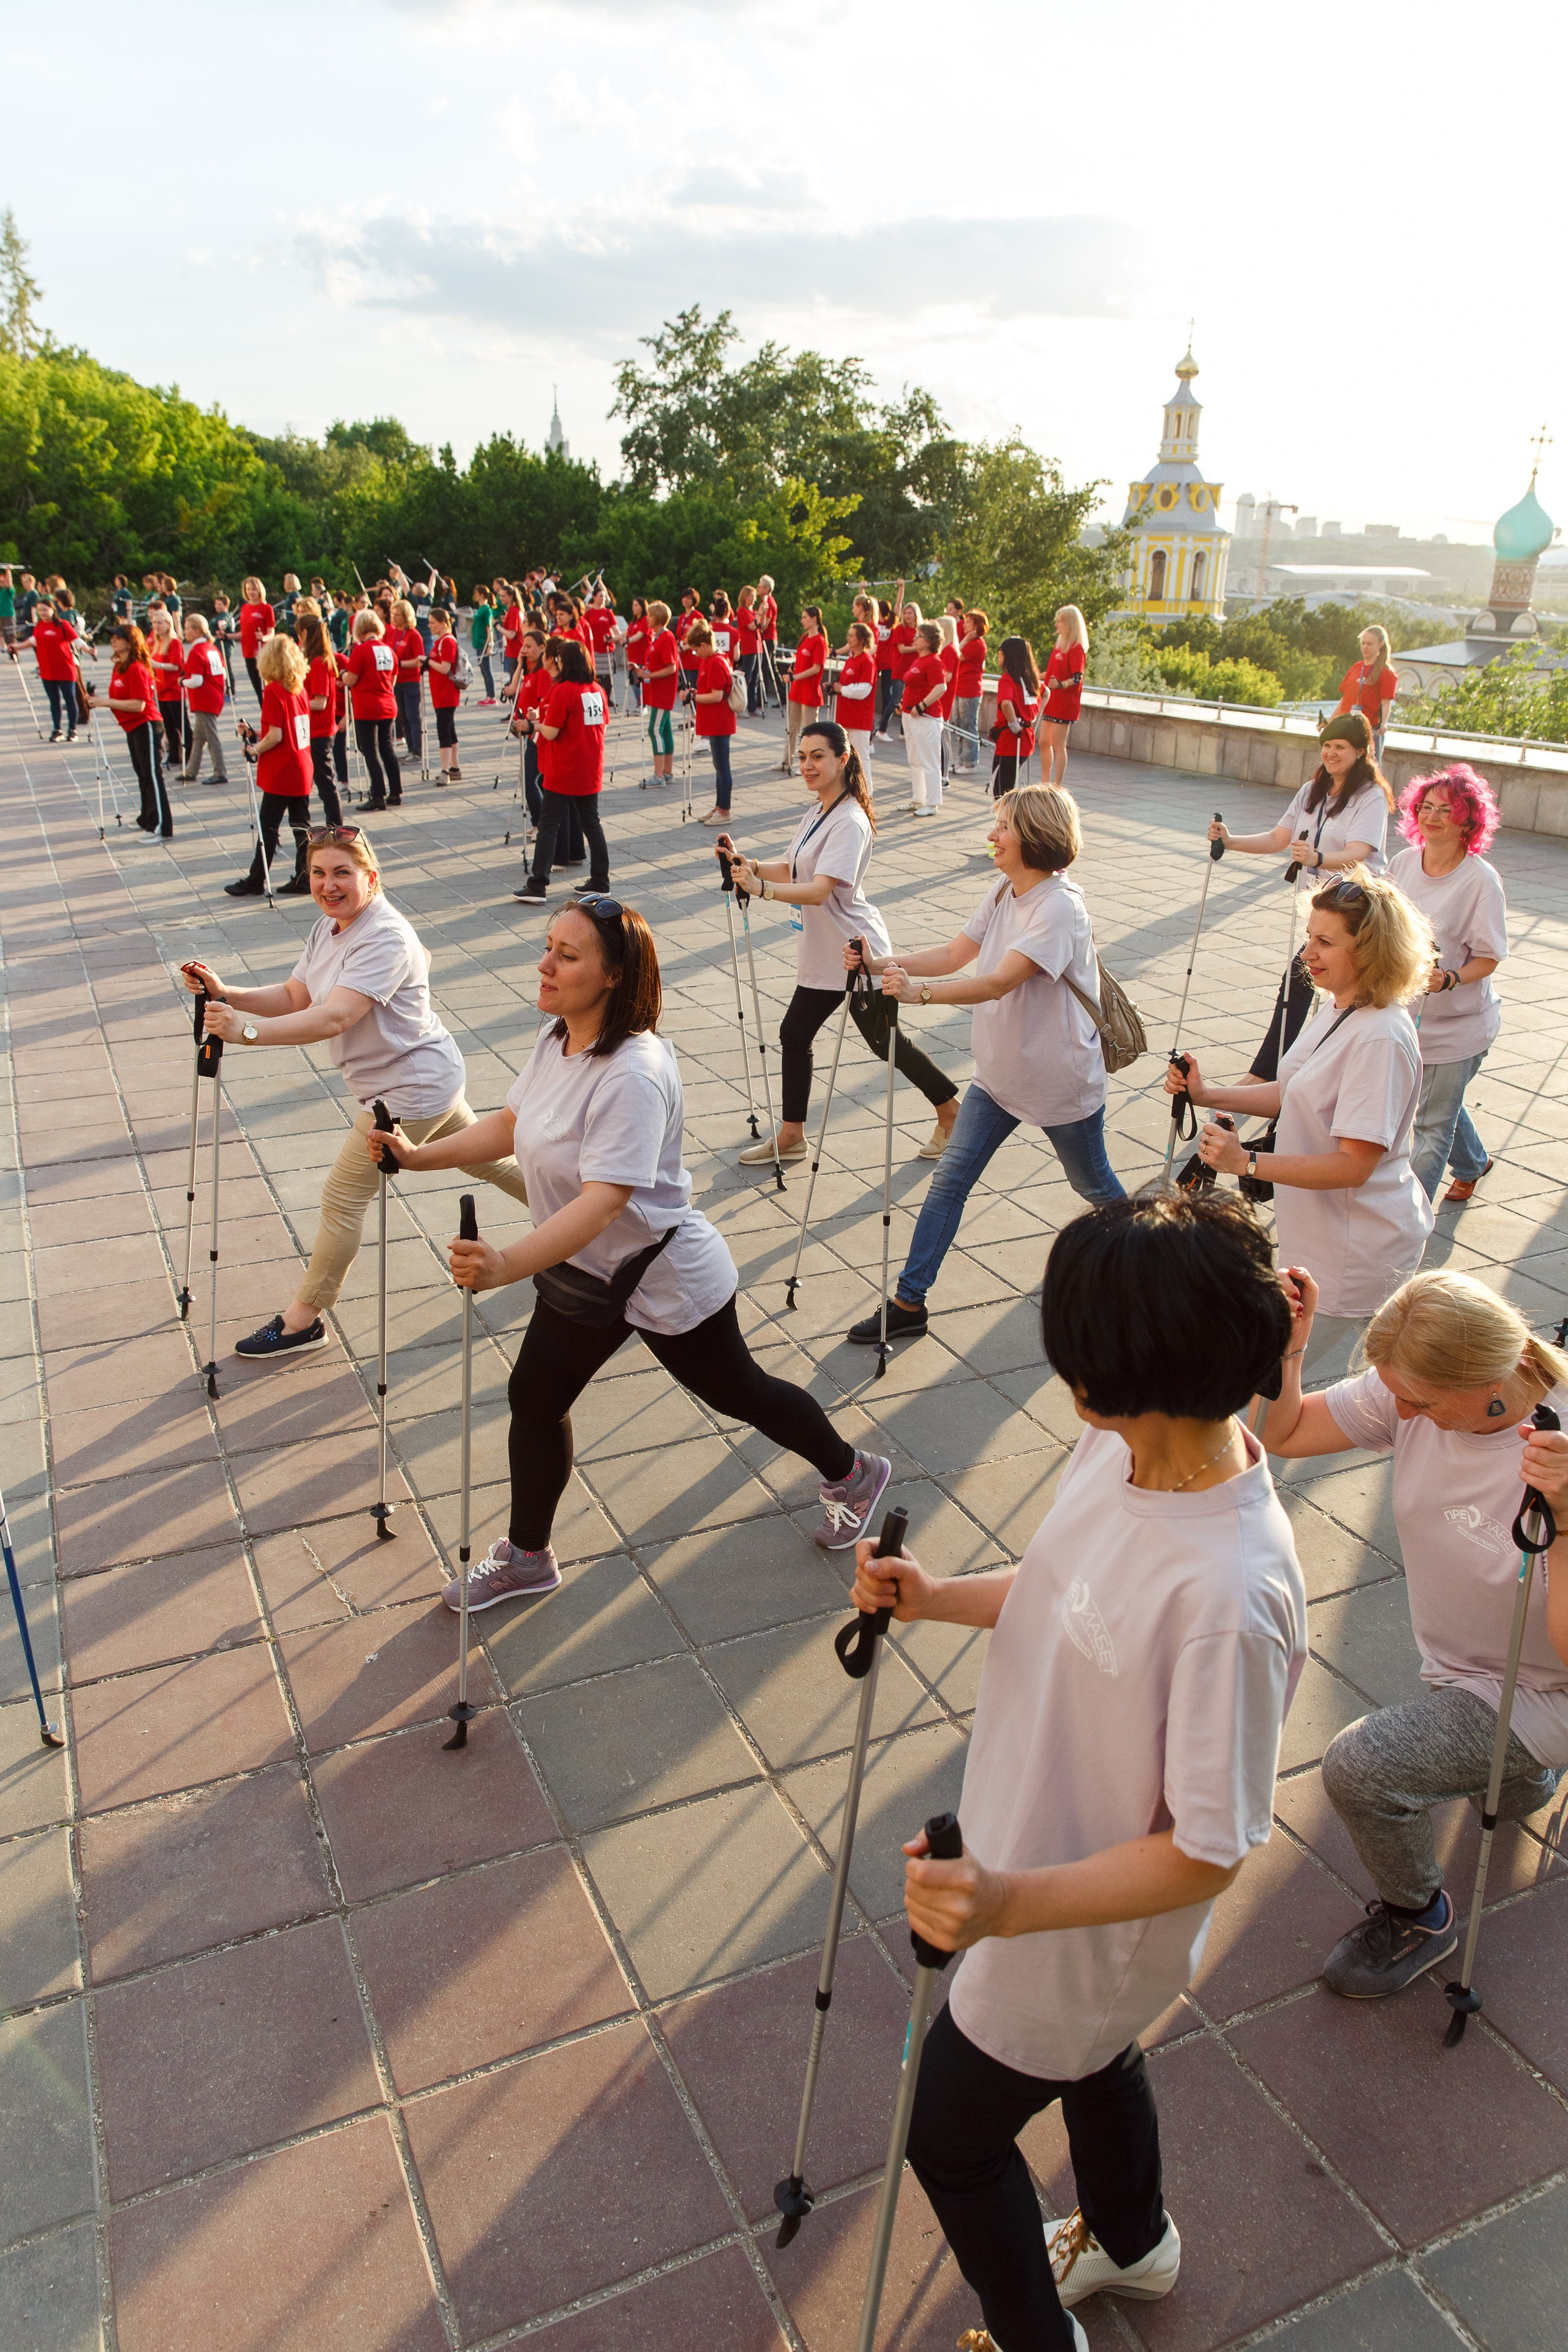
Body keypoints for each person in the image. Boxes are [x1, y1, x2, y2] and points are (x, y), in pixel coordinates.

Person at [856, 1188, 1304, 2352]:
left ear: (1119, 1374)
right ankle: (1134, 2240)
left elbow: (1212, 1847)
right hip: (1032, 1850)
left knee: (947, 2138)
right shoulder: (1124, 1449)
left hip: (1083, 1927)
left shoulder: (1232, 1596)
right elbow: (1061, 1584)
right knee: (1096, 2065)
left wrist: (1008, 1906)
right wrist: (939, 1597)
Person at [375, 897, 894, 1605]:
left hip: (662, 1273)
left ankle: (852, 1472)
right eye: (548, 945)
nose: (545, 963)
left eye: (567, 954)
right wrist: (414, 1158)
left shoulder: (633, 1074)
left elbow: (603, 1202)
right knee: (534, 1396)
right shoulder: (558, 1037)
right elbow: (510, 1122)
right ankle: (528, 1556)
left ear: (615, 975)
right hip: (591, 1273)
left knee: (736, 1390)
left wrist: (505, 1265)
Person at [1261, 1266, 1566, 2000]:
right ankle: (1529, 1776)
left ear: (1490, 1377)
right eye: (1393, 1394)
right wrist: (1288, 1351)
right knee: (1509, 1794)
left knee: (1363, 1767)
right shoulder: (1412, 1393)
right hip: (1465, 1670)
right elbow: (1290, 1432)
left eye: (1417, 1402)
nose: (1396, 1412)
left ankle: (1417, 1917)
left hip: (1549, 1687)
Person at [182, 829, 531, 1359]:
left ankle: (303, 1321)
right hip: (423, 1080)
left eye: (342, 873)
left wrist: (245, 1033)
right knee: (486, 1161)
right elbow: (297, 995)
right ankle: (588, 1217)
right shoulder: (331, 926)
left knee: (342, 1199)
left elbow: (337, 1015)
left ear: (371, 877)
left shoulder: (385, 936)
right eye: (318, 873)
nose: (328, 885)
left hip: (405, 1094)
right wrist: (229, 993)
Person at [846, 786, 1125, 1345]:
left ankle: (1161, 1253)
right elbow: (956, 954)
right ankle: (909, 1302)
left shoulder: (1059, 907)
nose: (992, 836)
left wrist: (918, 995)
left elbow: (1000, 982)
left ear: (1036, 836)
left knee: (1094, 1187)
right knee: (949, 1182)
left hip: (1056, 1081)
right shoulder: (1005, 890)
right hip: (999, 1077)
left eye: (1003, 827)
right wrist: (881, 964)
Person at [1174, 869, 1436, 1378]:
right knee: (1392, 1388)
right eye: (1308, 937)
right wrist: (1206, 1093)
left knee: (1264, 1390)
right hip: (1322, 1236)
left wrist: (1246, 1161)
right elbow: (1296, 1093)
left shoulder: (1379, 1037)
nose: (1308, 953)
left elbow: (1354, 1165)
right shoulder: (1339, 1005)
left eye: (1324, 942)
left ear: (1370, 950)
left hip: (1354, 1250)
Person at [722, 721, 960, 1169]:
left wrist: (761, 890)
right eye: (803, 756)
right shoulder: (819, 811)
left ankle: (952, 1112)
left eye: (818, 756)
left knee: (886, 1042)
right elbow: (795, 868)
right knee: (796, 1033)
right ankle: (792, 1136)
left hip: (855, 953)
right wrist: (748, 865)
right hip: (825, 951)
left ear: (842, 760)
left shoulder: (849, 821)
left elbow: (818, 890)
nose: (808, 765)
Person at [1210, 710, 1395, 1081]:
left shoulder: (1370, 795)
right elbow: (1279, 839)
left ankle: (1271, 1075)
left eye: (1340, 747)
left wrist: (1319, 858)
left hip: (1358, 907)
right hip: (1326, 907)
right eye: (1326, 745)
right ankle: (1286, 1071)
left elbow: (1360, 851)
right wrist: (1230, 841)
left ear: (1361, 752)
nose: (1331, 753)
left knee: (1312, 978)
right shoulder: (1312, 792)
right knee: (1308, 978)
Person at [1387, 765, 1508, 1206]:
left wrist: (1450, 977)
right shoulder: (1403, 863)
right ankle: (1475, 1163)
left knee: (1431, 1124)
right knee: (1441, 1103)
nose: (1432, 816)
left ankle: (1406, 1222)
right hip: (1408, 1016)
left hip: (1460, 1025)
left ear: (1468, 821)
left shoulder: (1481, 881)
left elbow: (1490, 957)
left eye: (1447, 809)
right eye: (1426, 807)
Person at [514, 638, 611, 904]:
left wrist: (532, 726)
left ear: (562, 662)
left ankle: (538, 884)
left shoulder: (563, 690)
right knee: (592, 823)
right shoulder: (597, 690)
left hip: (564, 767)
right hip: (590, 767)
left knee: (548, 825)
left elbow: (551, 731)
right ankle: (601, 879)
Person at [227, 634, 314, 899]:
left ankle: (256, 879)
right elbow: (285, 730)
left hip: (282, 769)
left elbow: (276, 736)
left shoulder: (274, 690)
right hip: (300, 764)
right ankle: (305, 874)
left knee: (268, 827)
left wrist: (254, 748)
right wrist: (255, 734)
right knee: (301, 826)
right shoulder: (298, 688)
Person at [99, 623, 172, 839]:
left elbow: (139, 705)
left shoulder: (137, 668)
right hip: (132, 727)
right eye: (112, 638)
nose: (113, 641)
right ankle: (146, 817)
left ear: (130, 642)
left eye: (118, 638)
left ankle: (161, 827)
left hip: (146, 725)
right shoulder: (119, 666)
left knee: (152, 775)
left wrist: (105, 702)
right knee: (142, 774)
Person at [343, 611, 402, 811]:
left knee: (369, 750)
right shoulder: (388, 650)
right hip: (388, 704)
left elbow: (351, 680)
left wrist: (342, 674)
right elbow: (393, 681)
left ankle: (377, 794)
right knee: (387, 748)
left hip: (368, 706)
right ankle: (395, 792)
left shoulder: (361, 650)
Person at [686, 618, 737, 826]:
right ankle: (719, 807)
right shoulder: (710, 659)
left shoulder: (716, 662)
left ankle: (725, 811)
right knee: (719, 766)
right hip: (714, 721)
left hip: (720, 722)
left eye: (696, 650)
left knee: (723, 767)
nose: (695, 654)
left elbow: (716, 696)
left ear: (704, 645)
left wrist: (693, 697)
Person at [298, 612, 347, 824]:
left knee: (326, 785)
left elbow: (321, 702)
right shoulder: (316, 660)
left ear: (307, 633)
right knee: (322, 784)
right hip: (313, 730)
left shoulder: (319, 662)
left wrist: (296, 705)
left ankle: (336, 828)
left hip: (320, 731)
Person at [898, 619, 949, 818]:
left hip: (926, 717)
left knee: (929, 761)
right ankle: (918, 798)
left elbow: (941, 687)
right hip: (910, 715)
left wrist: (922, 705)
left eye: (918, 636)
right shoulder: (918, 659)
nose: (915, 638)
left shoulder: (935, 661)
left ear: (928, 641)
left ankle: (933, 803)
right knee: (915, 759)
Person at [1040, 606, 1088, 787]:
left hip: (1065, 702)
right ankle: (1045, 781)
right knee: (1044, 741)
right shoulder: (1059, 645)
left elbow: (1077, 677)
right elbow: (1051, 672)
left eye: (1060, 621)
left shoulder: (1076, 648)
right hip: (1051, 700)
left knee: (1058, 744)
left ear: (1069, 623)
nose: (1057, 624)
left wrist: (1061, 685)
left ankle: (1056, 784)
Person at [179, 614, 230, 784]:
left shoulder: (197, 652)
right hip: (214, 696)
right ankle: (191, 770)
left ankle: (220, 772)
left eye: (186, 629)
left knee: (211, 737)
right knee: (199, 737)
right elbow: (222, 674)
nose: (184, 632)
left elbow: (196, 681)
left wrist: (182, 681)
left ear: (195, 631)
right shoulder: (212, 648)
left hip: (204, 700)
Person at [1336, 623, 1398, 757]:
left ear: (1380, 645)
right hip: (1346, 729)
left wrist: (1383, 725)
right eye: (1363, 643)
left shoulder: (1385, 672)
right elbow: (1345, 698)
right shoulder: (1356, 667)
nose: (1365, 647)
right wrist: (1330, 723)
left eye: (1369, 644)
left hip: (1368, 731)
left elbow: (1386, 702)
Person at [990, 635, 1040, 799]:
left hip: (1011, 739)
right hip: (1026, 738)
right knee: (1014, 783)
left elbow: (1006, 703)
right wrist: (1032, 720)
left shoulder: (1007, 678)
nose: (998, 657)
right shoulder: (1030, 679)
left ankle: (1005, 823)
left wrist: (1013, 723)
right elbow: (1045, 693)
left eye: (1000, 653)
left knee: (1001, 789)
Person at [783, 605, 827, 775]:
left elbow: (817, 668)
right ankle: (787, 760)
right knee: (792, 727)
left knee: (810, 732)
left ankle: (812, 765)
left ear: (814, 619)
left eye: (805, 617)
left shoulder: (820, 641)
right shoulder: (804, 638)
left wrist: (796, 677)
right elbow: (801, 660)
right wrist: (794, 670)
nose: (802, 621)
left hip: (809, 692)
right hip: (797, 690)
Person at [33, 588, 81, 742]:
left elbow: (76, 640)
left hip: (65, 669)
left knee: (70, 699)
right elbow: (33, 641)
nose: (42, 613)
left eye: (45, 610)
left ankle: (73, 730)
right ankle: (57, 729)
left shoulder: (63, 624)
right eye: (40, 610)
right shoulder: (39, 626)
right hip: (48, 671)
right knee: (54, 701)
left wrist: (89, 650)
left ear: (52, 609)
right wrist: (15, 647)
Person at [641, 599, 680, 790]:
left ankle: (659, 775)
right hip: (657, 690)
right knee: (664, 730)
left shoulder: (666, 638)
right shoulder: (659, 637)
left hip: (663, 692)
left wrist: (649, 675)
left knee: (654, 730)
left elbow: (671, 667)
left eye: (650, 616)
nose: (647, 619)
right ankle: (667, 772)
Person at [148, 604, 187, 774]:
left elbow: (177, 665)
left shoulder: (174, 642)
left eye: (160, 623)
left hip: (173, 689)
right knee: (168, 727)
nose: (157, 626)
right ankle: (174, 756)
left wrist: (158, 665)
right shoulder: (158, 642)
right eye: (155, 623)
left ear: (168, 624)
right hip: (161, 689)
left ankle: (189, 753)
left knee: (181, 724)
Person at [428, 608, 464, 783]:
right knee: (450, 729)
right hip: (440, 693)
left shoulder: (447, 641)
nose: (430, 626)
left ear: (443, 623)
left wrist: (427, 661)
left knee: (444, 731)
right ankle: (455, 767)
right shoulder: (441, 641)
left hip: (446, 693)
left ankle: (445, 770)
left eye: (433, 622)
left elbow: (445, 667)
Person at [834, 620, 878, 763]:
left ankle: (866, 786)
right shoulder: (851, 659)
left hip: (859, 719)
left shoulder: (867, 661)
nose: (848, 638)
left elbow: (864, 690)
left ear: (862, 640)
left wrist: (842, 689)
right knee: (846, 758)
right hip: (845, 716)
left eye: (852, 636)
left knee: (861, 759)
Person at [952, 609, 988, 773]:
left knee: (968, 725)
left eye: (968, 622)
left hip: (970, 690)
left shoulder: (977, 644)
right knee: (960, 726)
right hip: (961, 688)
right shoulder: (970, 642)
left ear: (976, 626)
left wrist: (966, 639)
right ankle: (961, 760)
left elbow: (956, 655)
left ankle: (970, 762)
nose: (964, 625)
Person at [390, 600, 424, 759]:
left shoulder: (414, 635)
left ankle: (417, 750)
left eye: (398, 615)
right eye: (393, 614)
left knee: (413, 716)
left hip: (411, 680)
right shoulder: (393, 632)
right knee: (403, 716)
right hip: (397, 681)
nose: (394, 618)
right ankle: (410, 749)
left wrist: (399, 663)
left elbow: (419, 660)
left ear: (406, 616)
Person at [238, 579, 274, 705]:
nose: (251, 592)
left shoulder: (266, 608)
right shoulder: (245, 608)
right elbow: (243, 632)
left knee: (265, 688)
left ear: (260, 590)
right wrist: (226, 636)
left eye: (254, 589)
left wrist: (263, 638)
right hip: (248, 652)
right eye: (248, 589)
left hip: (262, 652)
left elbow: (271, 633)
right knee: (258, 690)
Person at [735, 586, 762, 714]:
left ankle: (752, 705)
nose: (753, 599)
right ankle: (742, 705)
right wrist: (760, 613)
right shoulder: (742, 611)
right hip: (749, 647)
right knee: (748, 677)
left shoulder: (753, 612)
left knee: (755, 677)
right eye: (751, 596)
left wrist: (764, 613)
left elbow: (762, 625)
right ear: (745, 597)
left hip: (757, 647)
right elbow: (752, 626)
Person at [756, 574, 781, 706]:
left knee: (766, 667)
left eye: (760, 587)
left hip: (769, 638)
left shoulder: (769, 603)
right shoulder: (765, 602)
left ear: (766, 588)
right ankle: (782, 695)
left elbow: (765, 624)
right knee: (770, 667)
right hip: (768, 638)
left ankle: (763, 697)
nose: (758, 589)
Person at [470, 587, 497, 704]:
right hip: (478, 643)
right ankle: (488, 695)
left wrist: (490, 645)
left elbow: (489, 627)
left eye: (476, 593)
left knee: (487, 670)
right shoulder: (480, 609)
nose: (475, 596)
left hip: (484, 643)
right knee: (483, 670)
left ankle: (492, 696)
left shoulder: (487, 610)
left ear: (481, 594)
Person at [212, 592, 239, 695]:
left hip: (225, 644)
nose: (217, 606)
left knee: (227, 667)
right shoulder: (220, 615)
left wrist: (221, 627)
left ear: (225, 605)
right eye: (216, 604)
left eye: (220, 604)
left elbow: (223, 623)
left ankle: (231, 691)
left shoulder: (225, 615)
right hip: (218, 644)